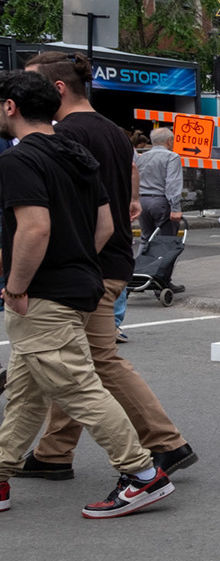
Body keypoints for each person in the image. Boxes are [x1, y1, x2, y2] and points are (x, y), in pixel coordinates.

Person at [0, 70, 174, 519]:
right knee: (26, 390)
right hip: (80, 285)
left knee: (79, 388)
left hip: (42, 294)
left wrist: (17, 286)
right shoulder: (76, 153)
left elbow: (34, 227)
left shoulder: (19, 160)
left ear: (10, 107)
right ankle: (1, 473)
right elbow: (105, 226)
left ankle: (142, 474)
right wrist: (75, 260)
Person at [134, 125, 184, 242]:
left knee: (146, 239)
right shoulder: (172, 157)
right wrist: (175, 208)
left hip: (143, 202)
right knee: (166, 241)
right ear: (169, 141)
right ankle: (162, 260)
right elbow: (173, 183)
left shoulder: (141, 157)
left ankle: (144, 260)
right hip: (161, 201)